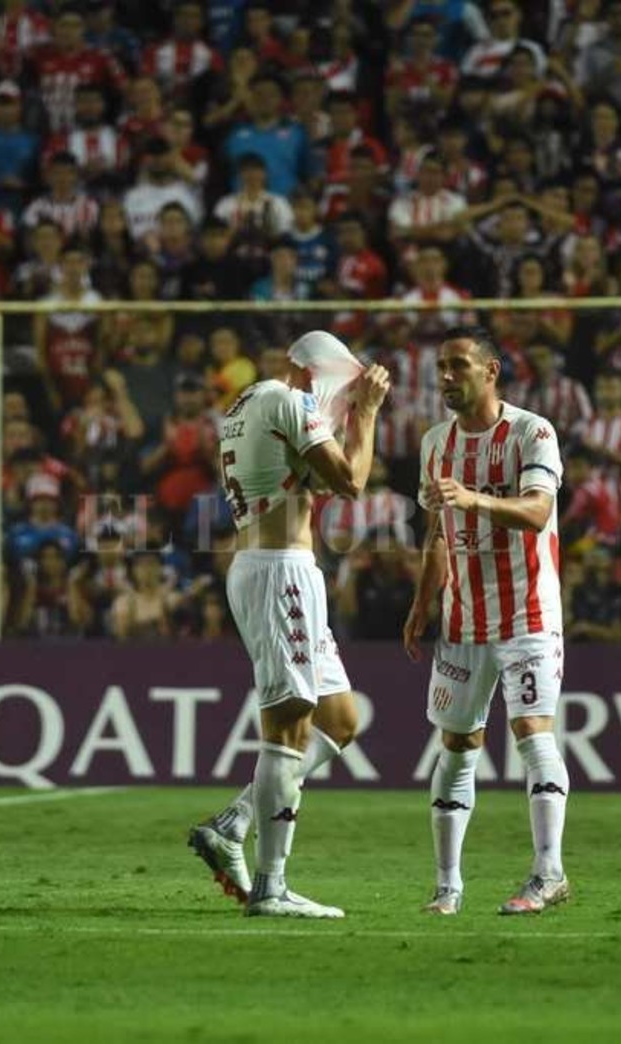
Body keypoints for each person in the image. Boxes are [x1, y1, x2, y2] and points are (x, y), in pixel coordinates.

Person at [186, 331, 390, 919]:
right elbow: (351, 481)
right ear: (317, 377)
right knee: (289, 724)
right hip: (281, 571)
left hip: (269, 564)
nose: (342, 402)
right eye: (340, 390)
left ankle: (237, 821)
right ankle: (272, 887)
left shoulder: (249, 402)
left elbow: (310, 477)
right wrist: (368, 416)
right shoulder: (289, 400)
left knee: (338, 718)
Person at [402, 325, 570, 917]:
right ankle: (447, 888)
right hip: (463, 620)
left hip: (527, 613)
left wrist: (475, 499)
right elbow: (437, 533)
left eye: (457, 367)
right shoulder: (434, 444)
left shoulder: (531, 432)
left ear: (490, 370)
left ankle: (549, 873)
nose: (445, 378)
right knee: (457, 743)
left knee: (532, 733)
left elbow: (538, 511)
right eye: (440, 368)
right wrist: (424, 601)